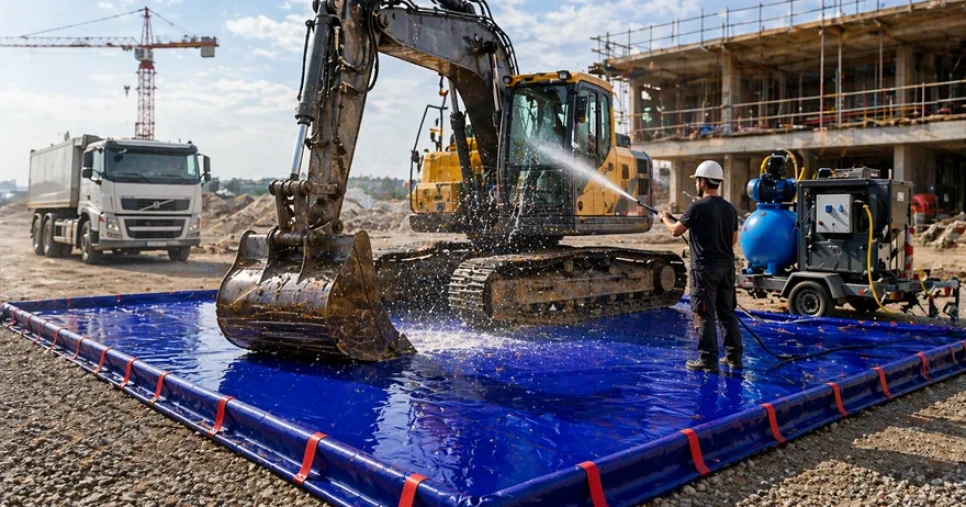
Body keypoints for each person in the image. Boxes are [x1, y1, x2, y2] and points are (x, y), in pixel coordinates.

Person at [657, 160, 742, 372]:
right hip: (726, 268)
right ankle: (733, 358)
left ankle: (707, 360)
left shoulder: (696, 207)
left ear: (703, 182)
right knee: (727, 313)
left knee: (704, 314)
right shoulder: (730, 208)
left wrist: (664, 218)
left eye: (697, 180)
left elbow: (676, 231)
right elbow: (732, 240)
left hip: (704, 270)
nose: (696, 184)